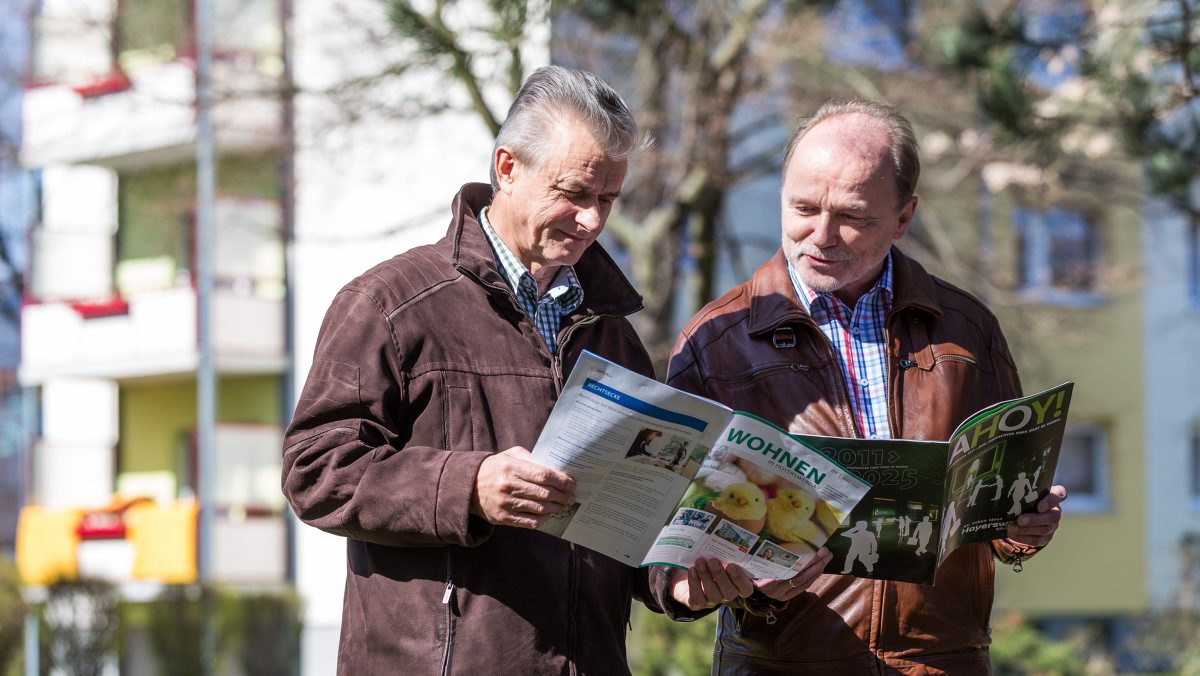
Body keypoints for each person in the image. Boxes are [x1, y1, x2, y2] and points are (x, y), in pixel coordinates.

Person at [282, 66, 764, 675]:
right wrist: (468, 486)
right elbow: (314, 470)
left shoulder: (613, 332)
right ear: (507, 168)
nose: (592, 220)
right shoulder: (389, 304)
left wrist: (673, 581)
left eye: (608, 199)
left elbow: (632, 516)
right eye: (575, 192)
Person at [667, 97, 1067, 673]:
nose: (821, 235)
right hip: (782, 662)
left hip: (939, 662)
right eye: (802, 207)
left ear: (904, 217)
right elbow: (661, 539)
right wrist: (723, 583)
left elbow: (1003, 515)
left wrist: (1026, 526)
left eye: (852, 216)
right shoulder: (716, 338)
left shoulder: (968, 327)